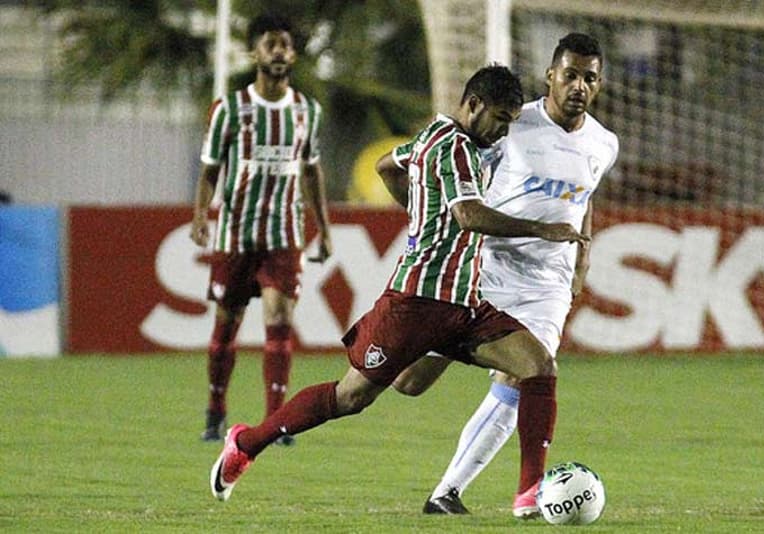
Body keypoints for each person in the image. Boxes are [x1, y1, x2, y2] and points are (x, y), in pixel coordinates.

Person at [208, 65, 589, 515]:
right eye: (501, 120)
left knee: (538, 365)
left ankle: (530, 494)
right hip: (415, 304)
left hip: (465, 305)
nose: (505, 131)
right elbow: (468, 215)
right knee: (350, 397)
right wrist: (541, 229)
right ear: (473, 106)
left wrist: (420, 210)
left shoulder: (435, 136)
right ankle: (246, 443)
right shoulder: (454, 148)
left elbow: (388, 165)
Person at [393, 33, 618, 518]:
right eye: (571, 74)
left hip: (547, 284)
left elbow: (584, 199)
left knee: (525, 375)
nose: (580, 85)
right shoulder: (514, 124)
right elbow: (453, 171)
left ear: (599, 85)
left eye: (590, 78)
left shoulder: (604, 143)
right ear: (551, 77)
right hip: (485, 269)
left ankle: (468, 492)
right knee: (409, 381)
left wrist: (581, 262)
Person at [191, 14, 332, 446]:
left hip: (283, 234)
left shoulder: (307, 111)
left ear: (293, 55)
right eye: (269, 44)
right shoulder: (230, 109)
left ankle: (275, 421)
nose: (277, 52)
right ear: (255, 52)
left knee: (279, 319)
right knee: (226, 325)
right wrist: (200, 215)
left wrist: (323, 229)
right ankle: (215, 410)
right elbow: (210, 170)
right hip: (235, 233)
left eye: (285, 45)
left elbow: (311, 172)